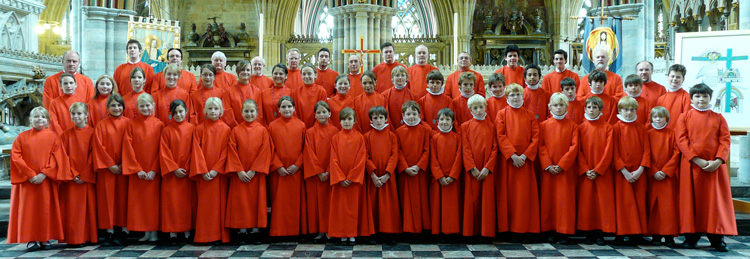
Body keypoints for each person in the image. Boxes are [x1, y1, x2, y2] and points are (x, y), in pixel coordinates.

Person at [676, 83, 736, 252]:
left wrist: (718, 161)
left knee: (714, 202)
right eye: (697, 96)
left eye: (704, 96)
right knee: (692, 201)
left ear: (710, 98)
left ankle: (717, 238)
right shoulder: (684, 117)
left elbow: (725, 140)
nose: (701, 100)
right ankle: (691, 237)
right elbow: (682, 140)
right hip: (692, 166)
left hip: (714, 167)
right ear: (691, 98)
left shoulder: (718, 118)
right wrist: (696, 160)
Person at [8, 107, 71, 251]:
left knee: (45, 210)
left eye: (43, 117)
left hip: (45, 180)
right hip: (28, 182)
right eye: (36, 116)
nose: (39, 119)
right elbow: (16, 157)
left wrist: (44, 173)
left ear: (47, 121)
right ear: (30, 120)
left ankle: (45, 238)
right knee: (28, 211)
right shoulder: (21, 137)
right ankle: (30, 239)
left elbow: (57, 157)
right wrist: (30, 174)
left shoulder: (53, 137)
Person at [495, 83, 540, 241]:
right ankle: (508, 229)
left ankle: (525, 228)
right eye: (512, 95)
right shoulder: (501, 114)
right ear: (507, 98)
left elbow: (535, 138)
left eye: (518, 95)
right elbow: (500, 136)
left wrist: (525, 156)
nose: (515, 98)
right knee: (508, 196)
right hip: (509, 162)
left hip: (525, 162)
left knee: (524, 197)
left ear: (523, 97)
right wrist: (512, 155)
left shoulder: (530, 115)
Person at [225, 99, 273, 245]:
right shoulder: (236, 130)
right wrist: (239, 170)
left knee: (255, 202)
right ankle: (242, 230)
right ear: (241, 113)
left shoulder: (263, 130)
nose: (249, 113)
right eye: (246, 111)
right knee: (241, 203)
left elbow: (265, 151)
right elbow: (231, 151)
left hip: (255, 174)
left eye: (252, 111)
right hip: (240, 174)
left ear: (257, 113)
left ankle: (255, 230)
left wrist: (253, 170)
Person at [121, 93, 164, 243]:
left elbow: (162, 149)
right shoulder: (131, 125)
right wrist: (137, 168)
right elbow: (128, 148)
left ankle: (154, 232)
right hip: (138, 172)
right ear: (137, 108)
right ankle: (146, 232)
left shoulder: (159, 124)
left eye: (148, 105)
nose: (145, 108)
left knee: (152, 203)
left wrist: (154, 169)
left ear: (153, 106)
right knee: (140, 203)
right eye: (142, 106)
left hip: (153, 171)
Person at [538, 93, 578, 244]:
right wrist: (548, 164)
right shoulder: (543, 125)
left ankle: (564, 231)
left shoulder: (573, 126)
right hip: (548, 170)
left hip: (565, 171)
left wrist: (562, 165)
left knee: (564, 201)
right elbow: (540, 146)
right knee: (549, 200)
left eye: (562, 105)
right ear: (550, 107)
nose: (559, 108)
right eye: (555, 105)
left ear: (567, 107)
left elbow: (574, 147)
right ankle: (549, 230)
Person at [190, 97, 231, 243]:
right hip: (204, 174)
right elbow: (196, 150)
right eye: (210, 108)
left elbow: (227, 151)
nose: (213, 111)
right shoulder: (199, 128)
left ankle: (219, 235)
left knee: (220, 205)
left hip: (218, 175)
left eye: (216, 108)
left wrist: (216, 170)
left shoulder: (226, 129)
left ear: (221, 111)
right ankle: (204, 235)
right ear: (205, 111)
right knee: (205, 206)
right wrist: (203, 170)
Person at [91, 94, 130, 245]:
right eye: (113, 105)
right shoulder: (101, 125)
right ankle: (109, 231)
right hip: (108, 169)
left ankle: (123, 230)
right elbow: (98, 146)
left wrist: (123, 163)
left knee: (122, 200)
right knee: (107, 200)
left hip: (123, 169)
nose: (116, 108)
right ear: (108, 107)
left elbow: (132, 146)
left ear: (123, 107)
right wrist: (110, 164)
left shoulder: (129, 123)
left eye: (119, 105)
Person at [576, 96, 615, 245]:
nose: (591, 110)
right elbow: (577, 150)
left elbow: (608, 150)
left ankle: (600, 233)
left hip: (601, 172)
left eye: (595, 107)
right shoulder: (580, 128)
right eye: (589, 108)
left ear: (600, 110)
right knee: (587, 203)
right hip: (586, 171)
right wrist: (586, 169)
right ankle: (588, 233)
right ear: (585, 109)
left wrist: (598, 169)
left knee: (602, 203)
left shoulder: (608, 127)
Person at [328, 107, 371, 245]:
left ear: (355, 121)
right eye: (344, 119)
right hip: (341, 180)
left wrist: (352, 177)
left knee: (353, 207)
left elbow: (361, 158)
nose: (347, 122)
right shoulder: (335, 138)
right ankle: (342, 234)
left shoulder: (360, 137)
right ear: (339, 121)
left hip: (354, 180)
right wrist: (340, 177)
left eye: (350, 119)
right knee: (341, 209)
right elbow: (333, 159)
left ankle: (352, 234)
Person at [611, 96, 650, 246]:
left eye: (632, 109)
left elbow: (647, 151)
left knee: (639, 202)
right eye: (626, 110)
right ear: (620, 110)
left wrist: (640, 170)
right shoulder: (615, 128)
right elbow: (614, 152)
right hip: (622, 173)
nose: (629, 113)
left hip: (638, 172)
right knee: (623, 203)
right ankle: (621, 233)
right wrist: (624, 171)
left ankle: (637, 234)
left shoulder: (641, 128)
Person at [268, 96, 308, 239]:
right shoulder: (272, 126)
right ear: (278, 109)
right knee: (280, 202)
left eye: (289, 107)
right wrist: (278, 165)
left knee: (295, 202)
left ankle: (295, 230)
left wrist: (298, 164)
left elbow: (306, 148)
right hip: (279, 171)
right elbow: (269, 148)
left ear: (294, 108)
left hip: (295, 171)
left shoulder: (301, 125)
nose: (286, 109)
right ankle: (279, 231)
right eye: (283, 107)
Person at [59, 102, 98, 247]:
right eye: (74, 114)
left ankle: (87, 236)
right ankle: (73, 237)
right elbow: (62, 156)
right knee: (72, 210)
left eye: (79, 113)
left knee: (87, 210)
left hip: (86, 177)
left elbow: (94, 155)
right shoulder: (65, 135)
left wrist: (85, 175)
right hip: (71, 178)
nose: (76, 116)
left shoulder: (93, 132)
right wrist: (72, 173)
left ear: (86, 115)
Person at [158, 99, 196, 244]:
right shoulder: (166, 131)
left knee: (187, 204)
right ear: (170, 115)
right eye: (175, 113)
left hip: (187, 173)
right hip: (172, 174)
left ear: (186, 112)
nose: (179, 115)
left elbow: (195, 150)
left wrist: (187, 167)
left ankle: (187, 232)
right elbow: (164, 152)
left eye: (181, 111)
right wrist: (174, 168)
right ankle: (173, 233)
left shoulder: (193, 128)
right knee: (172, 204)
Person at [461, 96, 498, 240]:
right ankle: (471, 232)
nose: (478, 110)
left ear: (485, 108)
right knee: (472, 200)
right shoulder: (465, 126)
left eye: (481, 107)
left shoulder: (491, 126)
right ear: (470, 110)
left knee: (486, 201)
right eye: (475, 108)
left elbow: (495, 149)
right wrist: (472, 167)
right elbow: (465, 148)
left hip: (486, 170)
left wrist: (487, 167)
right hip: (473, 170)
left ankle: (486, 232)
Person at [364, 106, 401, 242]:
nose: (378, 121)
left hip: (387, 177)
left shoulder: (391, 135)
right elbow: (365, 156)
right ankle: (374, 232)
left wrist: (387, 174)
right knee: (374, 204)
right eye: (375, 118)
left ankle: (389, 232)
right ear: (371, 120)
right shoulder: (366, 136)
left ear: (386, 119)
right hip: (373, 177)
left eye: (381, 118)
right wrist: (373, 175)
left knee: (389, 204)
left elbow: (394, 155)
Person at [303, 101, 339, 242]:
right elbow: (309, 152)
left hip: (331, 174)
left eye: (324, 112)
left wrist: (329, 170)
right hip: (317, 175)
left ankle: (330, 229)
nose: (322, 114)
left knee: (329, 203)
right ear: (315, 115)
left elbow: (337, 153)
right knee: (317, 204)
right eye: (319, 112)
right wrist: (319, 171)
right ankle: (319, 230)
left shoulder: (335, 131)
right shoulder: (310, 132)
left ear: (330, 113)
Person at [395, 101, 432, 237]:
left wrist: (418, 166)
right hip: (406, 172)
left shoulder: (424, 130)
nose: (411, 117)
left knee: (421, 200)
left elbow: (427, 150)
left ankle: (423, 228)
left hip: (419, 171)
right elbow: (397, 151)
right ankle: (408, 229)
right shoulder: (398, 132)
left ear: (419, 115)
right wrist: (405, 167)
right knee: (406, 200)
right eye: (408, 114)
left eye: (414, 114)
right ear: (403, 116)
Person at [646, 106, 680, 247]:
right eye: (655, 117)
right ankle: (656, 234)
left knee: (668, 207)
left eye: (661, 117)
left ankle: (669, 234)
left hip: (667, 177)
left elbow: (676, 153)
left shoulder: (672, 133)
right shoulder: (647, 133)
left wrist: (665, 171)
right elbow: (645, 153)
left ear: (666, 118)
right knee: (654, 206)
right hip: (653, 176)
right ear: (651, 119)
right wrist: (653, 171)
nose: (658, 119)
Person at [429, 108, 462, 238]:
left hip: (453, 178)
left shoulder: (457, 138)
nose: (444, 122)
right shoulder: (434, 138)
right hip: (439, 178)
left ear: (452, 122)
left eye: (447, 119)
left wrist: (452, 175)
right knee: (439, 206)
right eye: (441, 119)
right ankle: (439, 232)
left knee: (452, 206)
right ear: (437, 121)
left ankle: (452, 232)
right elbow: (433, 159)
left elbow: (459, 158)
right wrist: (440, 176)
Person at [225, 60, 264, 128]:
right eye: (242, 70)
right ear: (237, 72)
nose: (245, 72)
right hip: (234, 129)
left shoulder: (256, 91)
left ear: (251, 72)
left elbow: (259, 113)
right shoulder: (228, 91)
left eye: (248, 70)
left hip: (253, 129)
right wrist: (237, 128)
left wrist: (253, 127)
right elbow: (227, 113)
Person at [291, 64, 328, 128]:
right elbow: (293, 112)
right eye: (304, 74)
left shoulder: (321, 91)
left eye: (309, 74)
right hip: (299, 127)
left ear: (315, 75)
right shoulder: (295, 92)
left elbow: (322, 112)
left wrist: (314, 129)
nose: (306, 76)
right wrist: (300, 126)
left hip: (316, 128)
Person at [656, 64, 691, 130]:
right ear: (668, 77)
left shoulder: (687, 97)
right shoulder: (661, 99)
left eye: (678, 77)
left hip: (679, 135)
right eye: (672, 76)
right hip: (664, 134)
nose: (675, 79)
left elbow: (687, 120)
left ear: (683, 79)